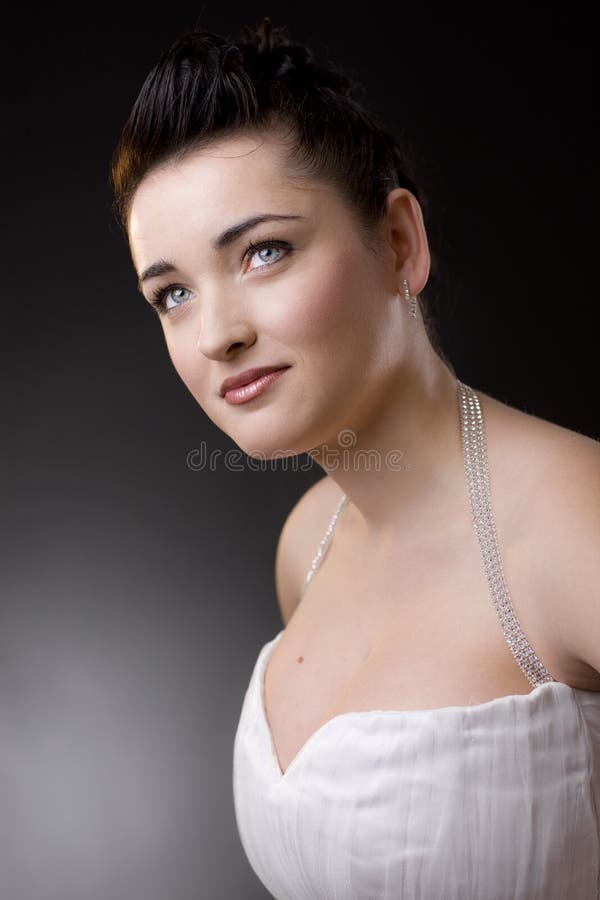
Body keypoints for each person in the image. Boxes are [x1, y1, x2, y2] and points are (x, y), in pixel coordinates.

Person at [110, 16, 600, 899]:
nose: (218, 334)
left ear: (399, 243)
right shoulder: (309, 545)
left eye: (264, 251)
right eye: (173, 294)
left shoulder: (576, 525)